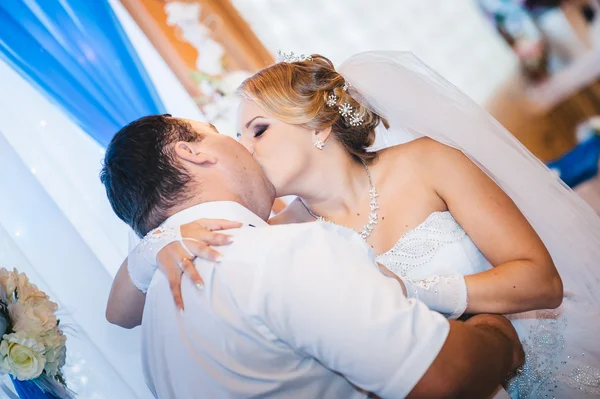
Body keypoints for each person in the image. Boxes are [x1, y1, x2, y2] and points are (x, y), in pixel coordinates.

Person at [109, 52, 600, 398]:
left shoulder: (427, 162)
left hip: (546, 366)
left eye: (258, 130)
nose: (245, 149)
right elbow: (119, 312)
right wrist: (160, 244)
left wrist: (417, 290)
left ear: (318, 125)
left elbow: (542, 281)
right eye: (237, 135)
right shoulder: (281, 236)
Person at [100, 115, 523, 398]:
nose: (244, 146)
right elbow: (444, 375)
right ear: (193, 153)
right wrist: (496, 336)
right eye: (216, 130)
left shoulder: (156, 323)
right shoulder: (282, 252)